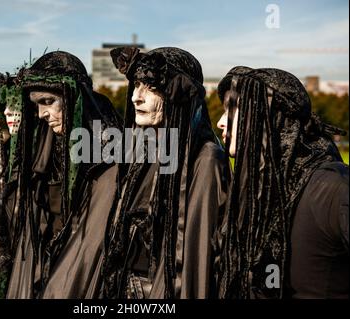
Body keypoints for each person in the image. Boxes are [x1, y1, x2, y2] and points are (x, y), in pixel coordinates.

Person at [99, 46, 229, 299]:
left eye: (151, 87)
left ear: (177, 94)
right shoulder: (139, 151)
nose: (136, 96)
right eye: (136, 84)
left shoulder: (206, 158)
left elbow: (196, 257)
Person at [215, 66, 349, 299]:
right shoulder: (255, 192)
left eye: (232, 109)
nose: (220, 122)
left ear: (271, 116)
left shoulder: (332, 187)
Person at [5, 51, 123, 298]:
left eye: (48, 101)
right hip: (47, 272)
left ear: (73, 97)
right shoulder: (46, 148)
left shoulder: (111, 152)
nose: (41, 114)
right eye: (37, 104)